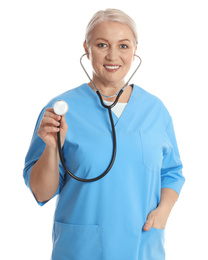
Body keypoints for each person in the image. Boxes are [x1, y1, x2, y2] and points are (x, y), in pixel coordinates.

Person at [23, 8, 185, 260]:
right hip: (81, 250)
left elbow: (172, 173)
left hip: (143, 246)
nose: (113, 55)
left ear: (135, 50)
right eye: (101, 44)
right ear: (87, 48)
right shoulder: (60, 110)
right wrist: (52, 148)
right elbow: (41, 193)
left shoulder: (155, 110)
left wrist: (163, 210)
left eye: (123, 45)